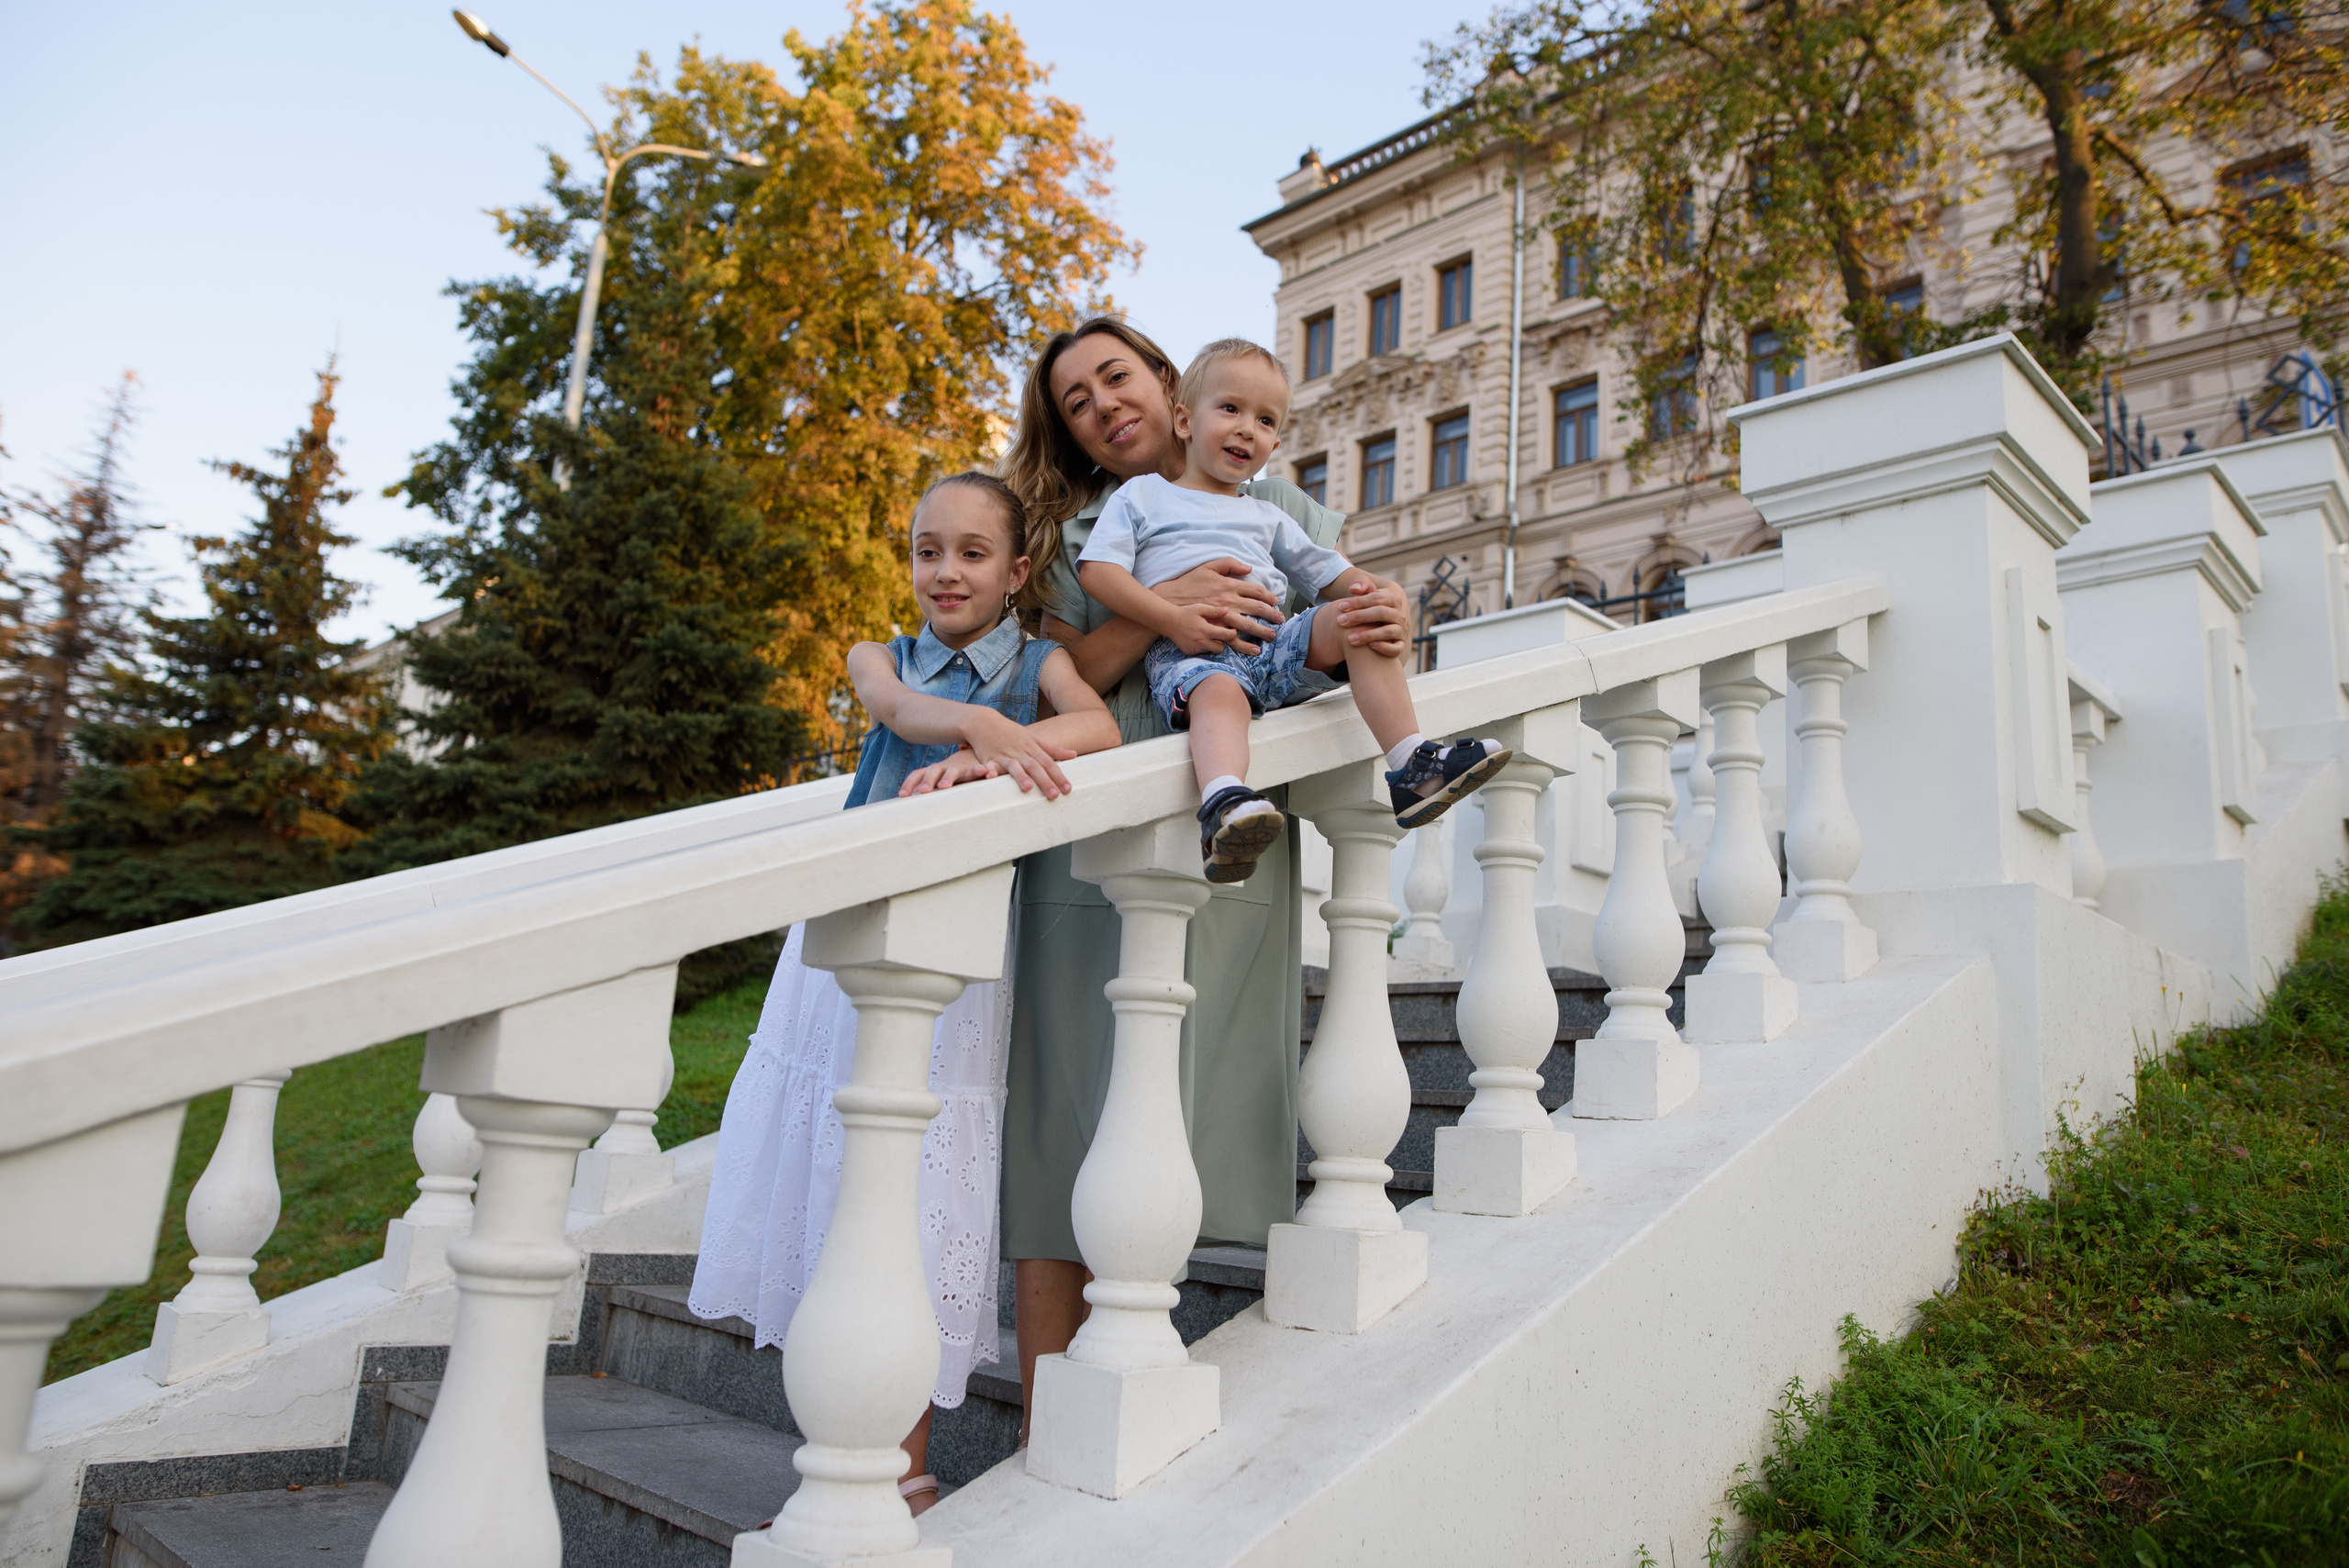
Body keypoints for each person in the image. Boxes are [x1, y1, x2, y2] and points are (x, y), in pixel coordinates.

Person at [996, 317, 1413, 1440]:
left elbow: (1332, 634)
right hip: (1088, 863)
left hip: (1236, 847)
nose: (1101, 406)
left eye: (1115, 377)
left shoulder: (1290, 515)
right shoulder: (1077, 532)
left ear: (1168, 386)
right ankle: (1049, 1424)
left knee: (1195, 1126)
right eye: (1076, 400)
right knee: (1061, 1137)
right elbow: (1050, 686)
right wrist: (1167, 608)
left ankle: (1154, 1403)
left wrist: (1375, 619)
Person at [690, 472, 1118, 1515]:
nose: (946, 570)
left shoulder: (1044, 661)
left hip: (959, 951)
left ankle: (907, 1463)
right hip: (849, 938)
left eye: (973, 552)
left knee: (923, 1184)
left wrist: (995, 757)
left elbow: (1099, 731)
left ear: (1017, 571)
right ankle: (851, 1440)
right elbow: (892, 710)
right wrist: (986, 731)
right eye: (928, 549)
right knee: (843, 1174)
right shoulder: (881, 654)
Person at [1077, 338, 1509, 883]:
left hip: (1272, 643)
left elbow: (1330, 574)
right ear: (1184, 421)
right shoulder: (1143, 497)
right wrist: (1171, 618)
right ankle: (1223, 802)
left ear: (1274, 442)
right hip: (1194, 650)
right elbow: (1099, 572)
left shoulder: (1267, 514)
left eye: (1264, 420)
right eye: (1230, 409)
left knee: (1356, 619)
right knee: (1219, 694)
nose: (1245, 428)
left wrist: (1380, 594)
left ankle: (1411, 763)